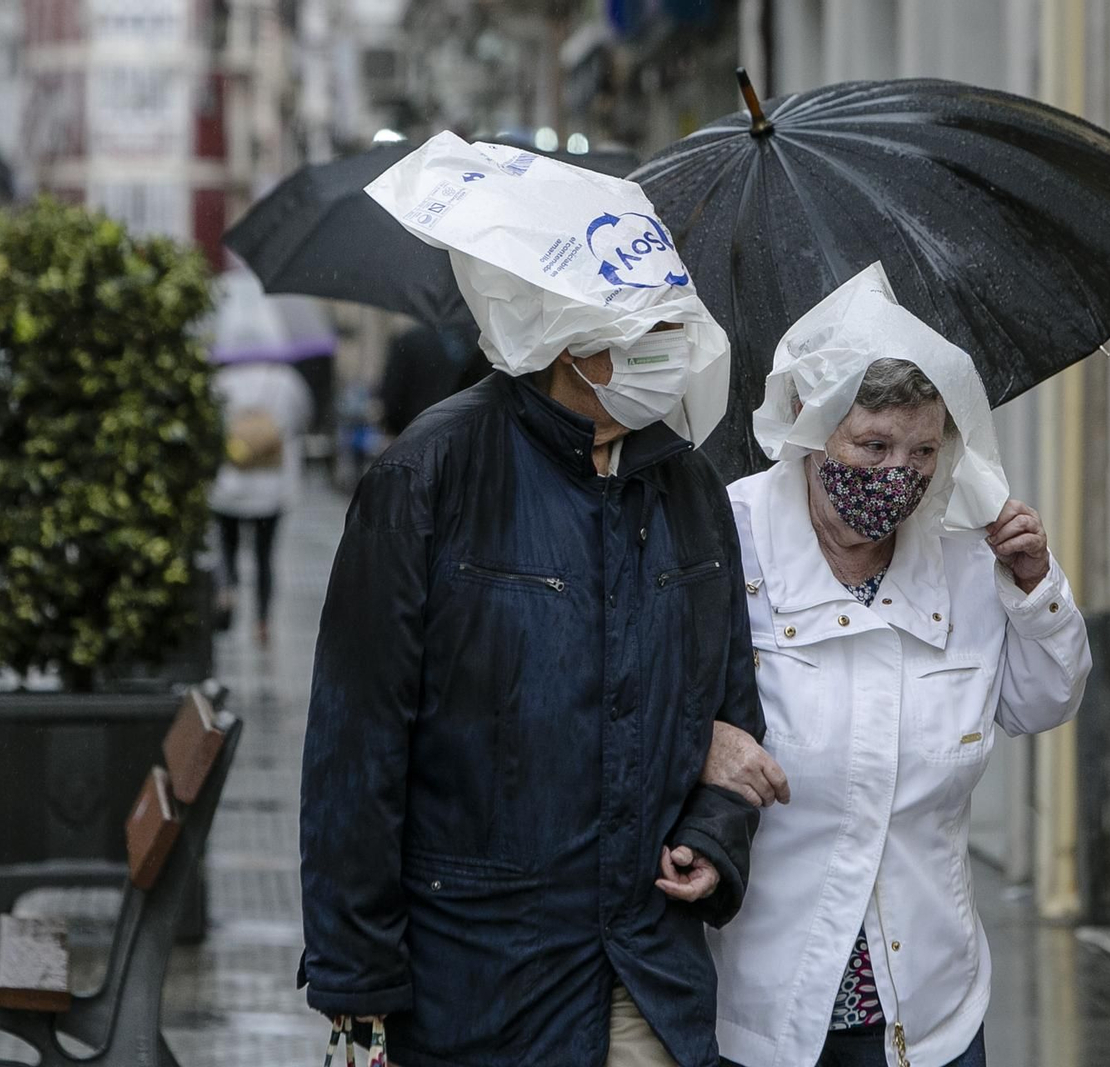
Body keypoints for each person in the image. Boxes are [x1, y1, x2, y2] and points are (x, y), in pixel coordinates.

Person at [299, 132, 762, 1067]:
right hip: (476, 985)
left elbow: (732, 707)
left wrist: (717, 834)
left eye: (679, 331)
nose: (674, 357)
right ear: (571, 343)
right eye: (648, 338)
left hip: (646, 971)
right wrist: (359, 989)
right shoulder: (429, 477)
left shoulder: (690, 492)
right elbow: (357, 749)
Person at [709, 265, 1092, 1067]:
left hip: (931, 1006)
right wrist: (700, 742)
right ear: (813, 434)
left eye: (923, 450)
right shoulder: (723, 538)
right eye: (872, 445)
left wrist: (1034, 589)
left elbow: (1040, 701)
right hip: (768, 1009)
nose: (898, 474)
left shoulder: (963, 557)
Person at [209, 359, 313, 648]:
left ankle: (227, 590)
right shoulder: (286, 380)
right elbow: (304, 417)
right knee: (264, 555)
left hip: (228, 484)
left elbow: (210, 425)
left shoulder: (222, 380)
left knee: (228, 549)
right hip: (273, 486)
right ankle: (262, 621)